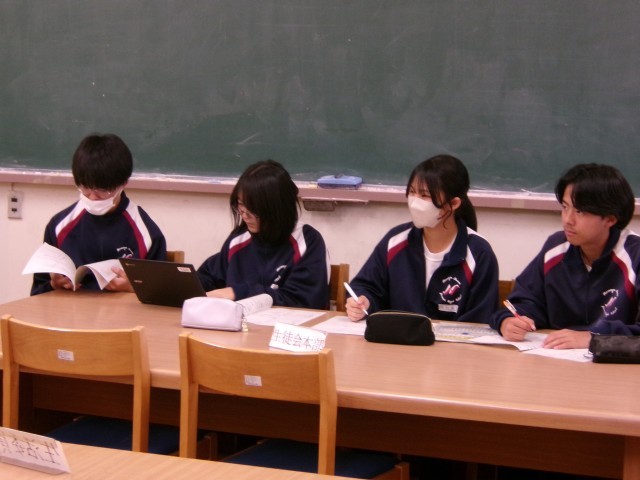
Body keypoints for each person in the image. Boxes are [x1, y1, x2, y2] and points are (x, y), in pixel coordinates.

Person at [490, 163, 640, 349]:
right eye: (565, 207)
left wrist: (593, 338)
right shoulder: (556, 248)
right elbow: (524, 302)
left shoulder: (635, 256)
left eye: (580, 211)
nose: (568, 220)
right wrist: (508, 321)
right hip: (556, 358)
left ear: (610, 219)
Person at [346, 154, 499, 322]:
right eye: (412, 192)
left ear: (454, 204)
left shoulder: (479, 253)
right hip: (398, 336)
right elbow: (366, 286)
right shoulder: (395, 241)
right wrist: (364, 301)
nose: (415, 203)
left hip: (451, 339)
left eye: (425, 195)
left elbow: (480, 319)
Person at [31, 133, 167, 295]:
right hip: (71, 310)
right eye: (85, 187)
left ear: (123, 183)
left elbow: (160, 297)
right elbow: (37, 293)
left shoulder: (147, 233)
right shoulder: (59, 226)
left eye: (103, 190)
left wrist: (133, 288)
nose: (93, 197)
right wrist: (53, 285)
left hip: (121, 311)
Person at [197, 159, 329, 309]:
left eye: (253, 209)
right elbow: (210, 276)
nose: (245, 216)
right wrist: (189, 285)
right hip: (238, 322)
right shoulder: (239, 239)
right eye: (241, 205)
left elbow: (303, 302)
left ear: (276, 208)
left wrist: (239, 292)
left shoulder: (308, 242)